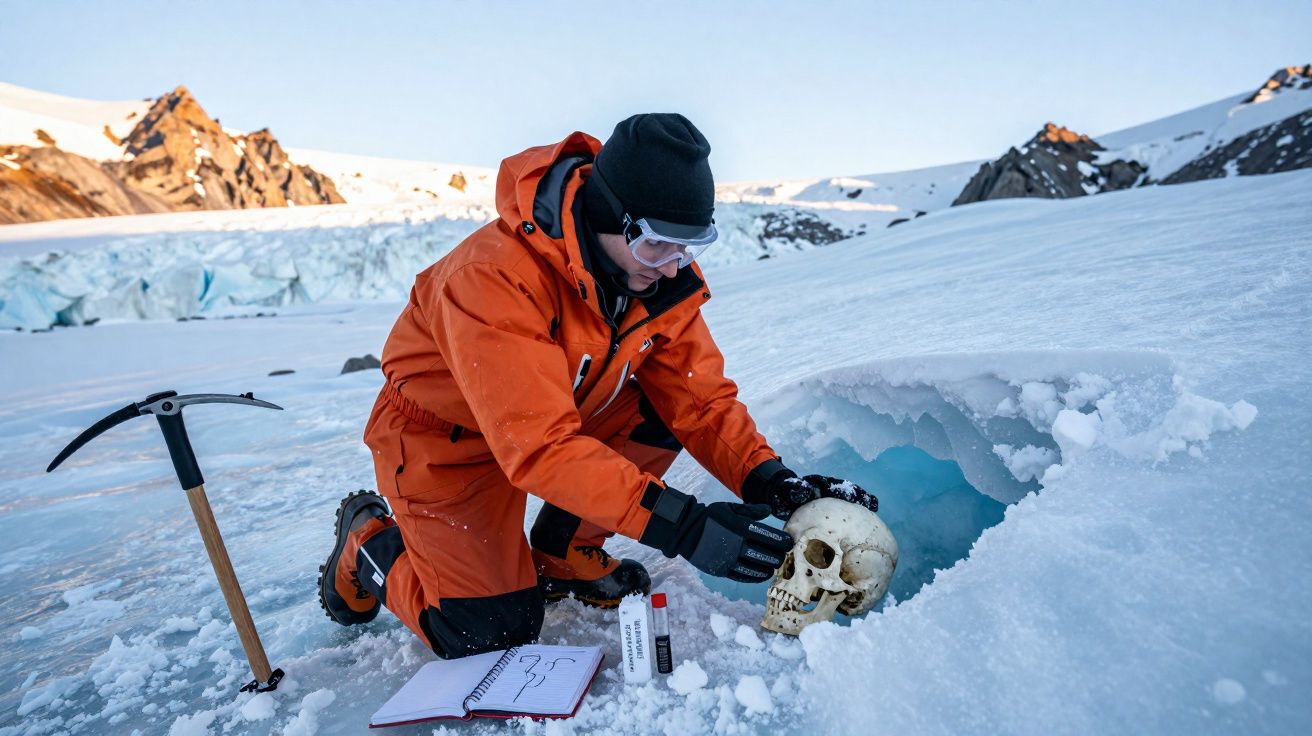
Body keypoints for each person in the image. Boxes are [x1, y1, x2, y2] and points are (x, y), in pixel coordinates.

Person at [317, 114, 878, 658]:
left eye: (690, 246)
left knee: (666, 405)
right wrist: (684, 528)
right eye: (657, 243)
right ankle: (367, 541)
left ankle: (563, 555)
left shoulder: (657, 277)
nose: (672, 266)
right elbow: (540, 447)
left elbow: (698, 398)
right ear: (609, 215)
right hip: (447, 443)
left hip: (558, 417)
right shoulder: (492, 278)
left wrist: (770, 480)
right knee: (487, 632)